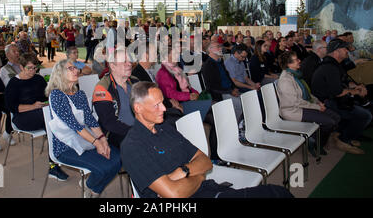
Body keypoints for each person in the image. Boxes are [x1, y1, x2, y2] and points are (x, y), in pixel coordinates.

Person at [120, 81, 294, 198]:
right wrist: (199, 175)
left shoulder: (166, 128)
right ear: (138, 108)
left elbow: (205, 161)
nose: (164, 109)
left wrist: (184, 172)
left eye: (163, 102)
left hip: (211, 191)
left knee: (277, 192)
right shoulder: (133, 146)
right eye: (156, 105)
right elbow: (174, 194)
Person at [46, 59, 121, 197]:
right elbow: (75, 126)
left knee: (118, 159)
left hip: (84, 141)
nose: (76, 70)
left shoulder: (79, 94)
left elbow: (90, 120)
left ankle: (92, 188)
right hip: (65, 147)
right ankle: (91, 187)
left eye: (76, 68)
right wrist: (97, 143)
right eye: (71, 68)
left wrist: (103, 139)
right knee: (104, 167)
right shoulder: (56, 95)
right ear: (60, 73)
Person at [4, 52, 68, 180]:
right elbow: (12, 108)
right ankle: (53, 165)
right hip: (21, 118)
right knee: (52, 122)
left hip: (40, 113)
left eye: (35, 68)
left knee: (55, 119)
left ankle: (58, 158)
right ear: (21, 67)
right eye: (29, 68)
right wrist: (34, 106)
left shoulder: (38, 79)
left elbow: (46, 96)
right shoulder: (14, 83)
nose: (33, 71)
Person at [311, 39, 372, 154]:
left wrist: (357, 86)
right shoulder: (330, 67)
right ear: (336, 52)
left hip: (332, 99)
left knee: (363, 109)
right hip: (325, 103)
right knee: (365, 116)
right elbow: (338, 92)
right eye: (344, 49)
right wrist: (357, 92)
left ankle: (340, 134)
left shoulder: (334, 64)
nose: (347, 51)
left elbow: (343, 82)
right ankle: (343, 139)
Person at [276, 51, 340, 155]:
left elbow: (307, 94)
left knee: (336, 117)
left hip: (303, 106)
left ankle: (314, 138)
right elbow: (296, 102)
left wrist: (318, 102)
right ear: (289, 64)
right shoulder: (285, 80)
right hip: (293, 111)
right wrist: (317, 107)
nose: (299, 61)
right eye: (296, 59)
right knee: (330, 122)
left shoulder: (296, 75)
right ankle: (316, 142)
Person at [92, 48, 139, 148]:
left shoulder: (135, 82)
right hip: (115, 134)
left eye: (129, 61)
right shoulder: (102, 88)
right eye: (124, 62)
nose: (129, 64)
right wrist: (136, 131)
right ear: (112, 66)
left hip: (138, 128)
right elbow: (109, 123)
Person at [156, 46, 212, 121]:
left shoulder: (176, 69)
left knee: (211, 109)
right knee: (210, 111)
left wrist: (195, 93)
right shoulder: (163, 73)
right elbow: (170, 94)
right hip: (179, 104)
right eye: (174, 54)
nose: (177, 56)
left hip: (187, 99)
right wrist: (189, 96)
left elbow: (187, 87)